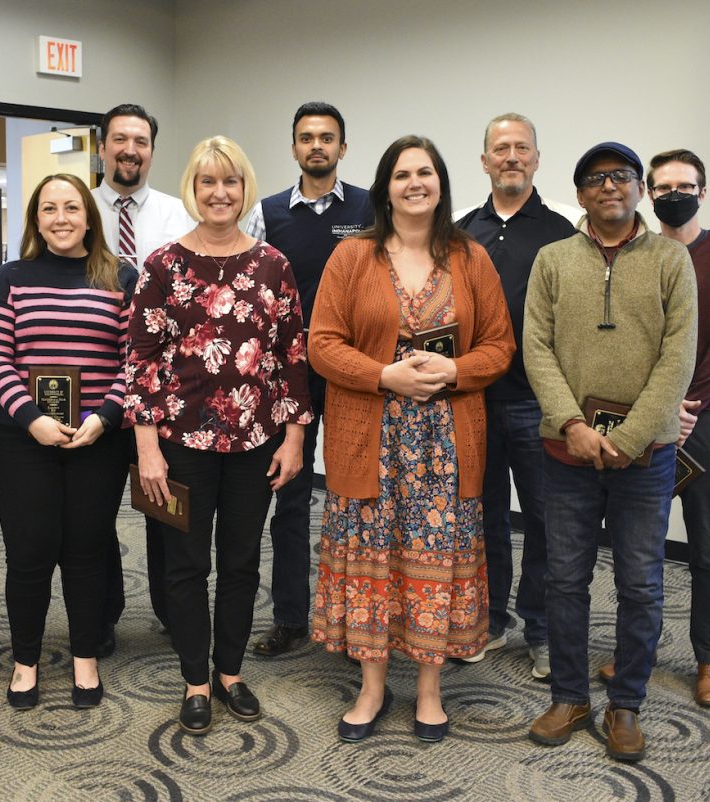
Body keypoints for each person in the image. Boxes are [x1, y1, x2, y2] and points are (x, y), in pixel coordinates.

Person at [310, 135, 515, 744]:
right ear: (385, 188)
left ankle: (429, 690)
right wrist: (382, 375)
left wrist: (456, 371)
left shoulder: (472, 258)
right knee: (372, 564)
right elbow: (321, 343)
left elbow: (500, 345)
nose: (415, 183)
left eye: (425, 172)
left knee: (436, 563)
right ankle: (372, 688)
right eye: (402, 174)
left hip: (447, 445)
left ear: (442, 184)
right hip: (370, 438)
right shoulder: (351, 258)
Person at [126, 136, 312, 736]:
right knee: (184, 567)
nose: (220, 193)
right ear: (193, 189)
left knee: (239, 564)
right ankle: (195, 680)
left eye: (230, 182)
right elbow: (143, 365)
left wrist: (293, 439)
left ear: (245, 190)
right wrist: (147, 449)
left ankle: (230, 672)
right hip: (179, 447)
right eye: (208, 182)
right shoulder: (161, 265)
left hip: (254, 445)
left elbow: (290, 358)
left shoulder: (273, 265)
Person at [524, 142, 697, 762]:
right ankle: (569, 697)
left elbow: (678, 359)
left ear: (639, 188)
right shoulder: (551, 260)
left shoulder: (672, 262)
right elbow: (536, 349)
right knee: (565, 580)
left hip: (645, 460)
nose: (609, 187)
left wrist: (628, 438)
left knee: (641, 585)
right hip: (564, 453)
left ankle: (626, 704)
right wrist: (572, 424)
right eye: (595, 179)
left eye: (621, 176)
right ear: (580, 195)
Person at [598, 149, 710, 708]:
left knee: (708, 545)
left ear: (703, 192)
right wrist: (655, 412)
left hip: (703, 422)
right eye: (662, 186)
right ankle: (634, 649)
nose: (673, 194)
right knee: (635, 547)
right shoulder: (638, 256)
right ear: (647, 191)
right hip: (644, 422)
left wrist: (685, 406)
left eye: (684, 185)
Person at [0, 173, 136, 710]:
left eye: (71, 207)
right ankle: (25, 664)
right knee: (29, 554)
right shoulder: (9, 279)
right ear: (35, 218)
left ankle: (85, 659)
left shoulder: (121, 277)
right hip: (25, 442)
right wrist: (31, 418)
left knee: (87, 552)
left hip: (98, 440)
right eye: (49, 209)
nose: (61, 218)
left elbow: (136, 361)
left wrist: (106, 416)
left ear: (89, 216)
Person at [243, 101, 373, 657]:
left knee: (359, 498)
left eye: (327, 138)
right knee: (290, 500)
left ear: (343, 148)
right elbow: (249, 287)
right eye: (306, 137)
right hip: (286, 379)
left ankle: (358, 618)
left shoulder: (371, 207)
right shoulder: (266, 213)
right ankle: (292, 617)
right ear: (293, 147)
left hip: (352, 375)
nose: (316, 145)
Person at [454, 113, 575, 679]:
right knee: (482, 519)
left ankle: (542, 630)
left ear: (536, 160)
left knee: (549, 522)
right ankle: (491, 620)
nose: (510, 157)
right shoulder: (457, 234)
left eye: (521, 148)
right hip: (471, 401)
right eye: (500, 148)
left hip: (538, 404)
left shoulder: (562, 234)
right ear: (483, 162)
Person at [91, 103, 196, 654]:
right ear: (102, 147)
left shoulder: (180, 215)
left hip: (162, 392)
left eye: (141, 141)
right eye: (120, 140)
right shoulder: (75, 210)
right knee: (96, 508)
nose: (130, 149)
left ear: (152, 150)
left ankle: (172, 612)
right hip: (95, 389)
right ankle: (103, 614)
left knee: (166, 508)